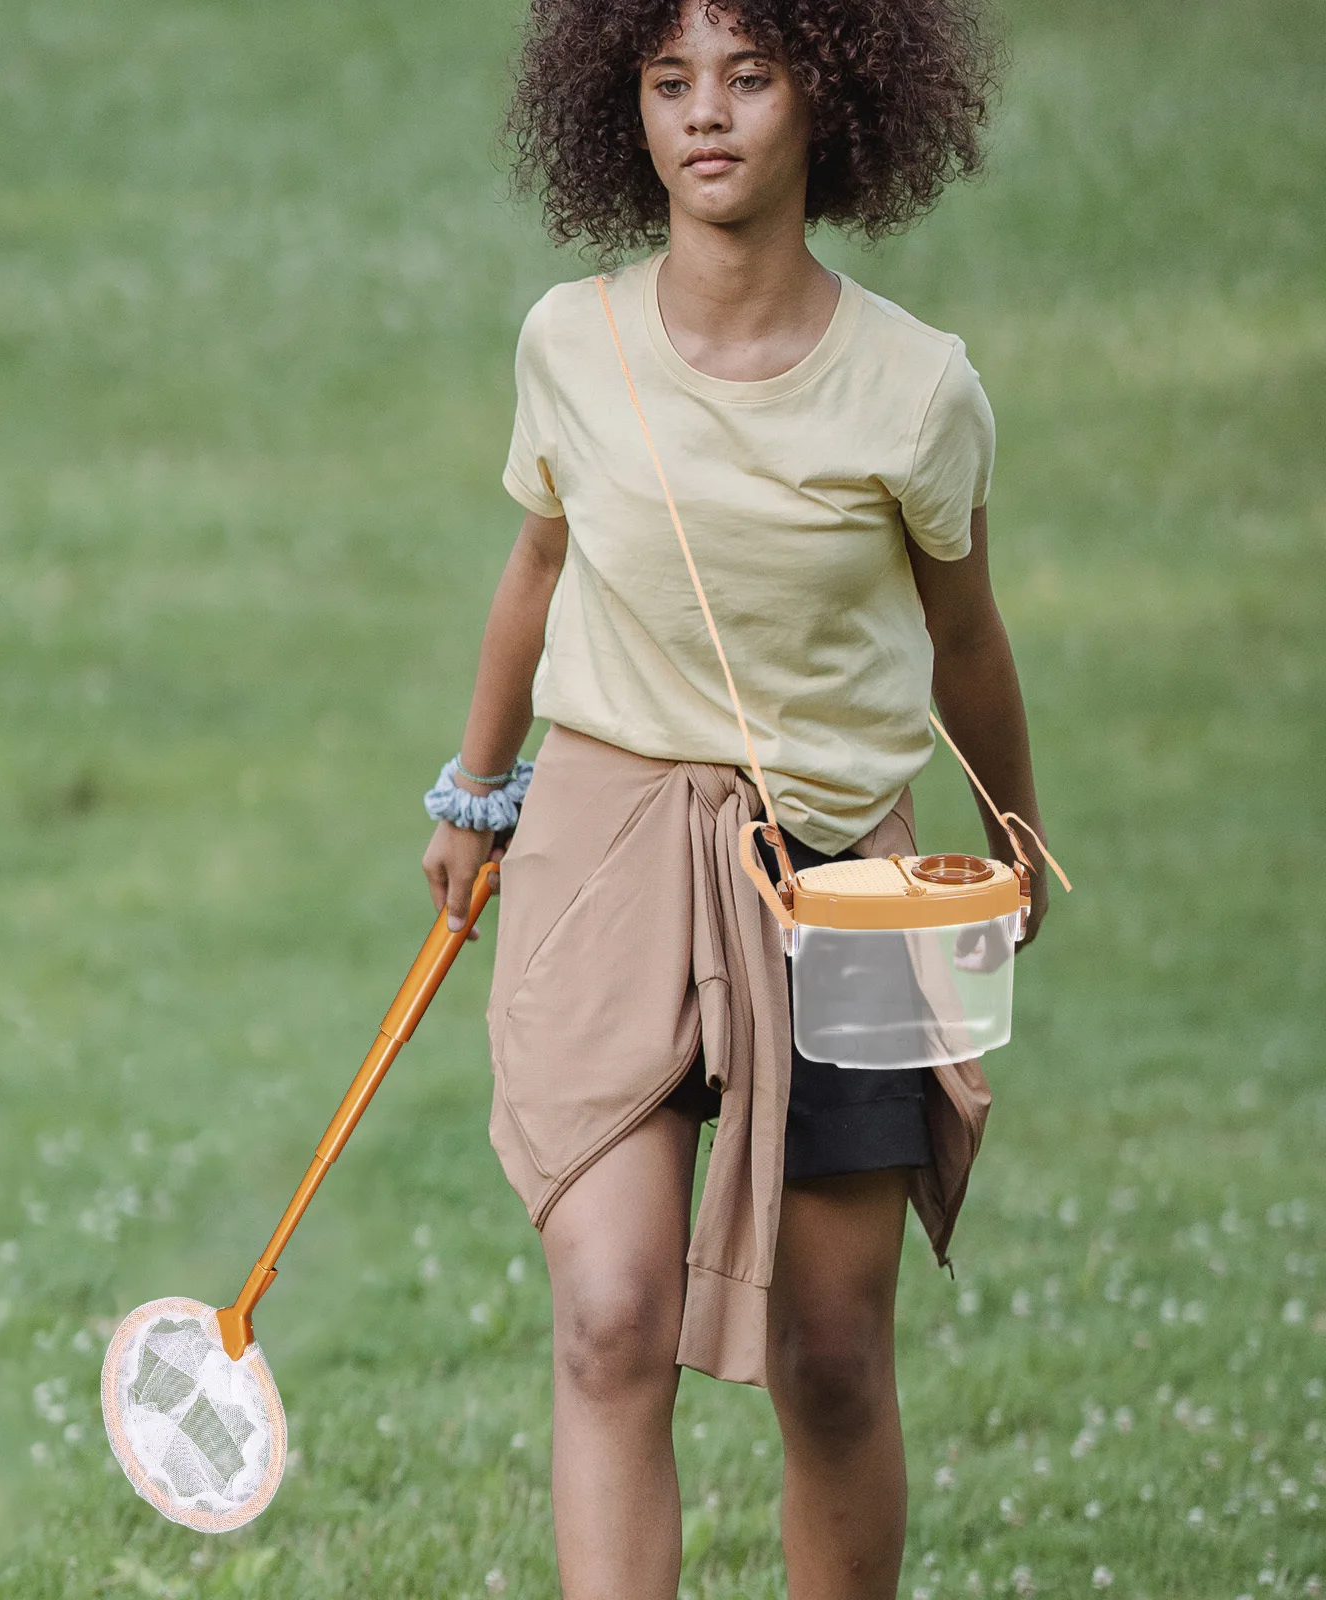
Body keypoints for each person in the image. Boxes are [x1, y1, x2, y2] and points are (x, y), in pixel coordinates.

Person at [422, 2, 1052, 1594]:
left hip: (848, 880)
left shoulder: (919, 388)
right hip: (604, 847)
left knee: (830, 1353)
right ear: (619, 105)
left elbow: (966, 638)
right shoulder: (571, 340)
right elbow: (536, 566)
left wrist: (1019, 840)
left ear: (824, 99)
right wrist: (475, 788)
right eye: (669, 80)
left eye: (749, 76)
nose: (706, 115)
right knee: (611, 1313)